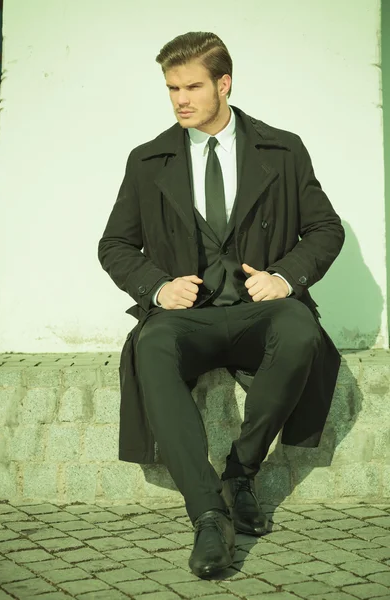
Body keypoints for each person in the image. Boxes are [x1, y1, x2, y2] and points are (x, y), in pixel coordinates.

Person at [98, 31, 345, 579]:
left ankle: (241, 470)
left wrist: (285, 277)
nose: (180, 99)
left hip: (258, 312)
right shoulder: (148, 160)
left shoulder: (283, 149)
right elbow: (114, 243)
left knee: (301, 329)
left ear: (224, 84)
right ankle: (209, 514)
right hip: (187, 318)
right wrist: (159, 288)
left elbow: (325, 228)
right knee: (151, 343)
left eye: (192, 86)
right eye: (171, 88)